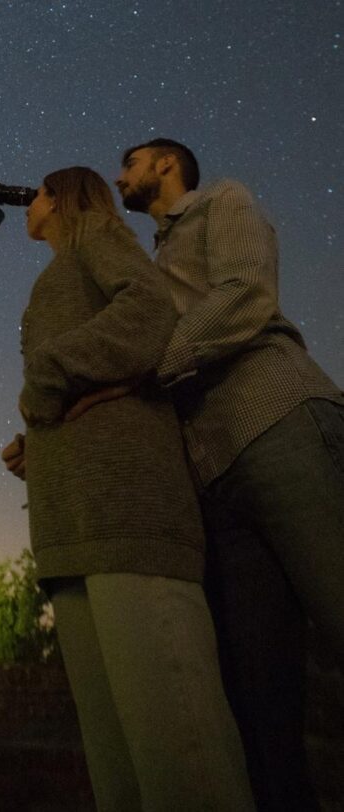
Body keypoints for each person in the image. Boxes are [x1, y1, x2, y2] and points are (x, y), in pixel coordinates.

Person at [2, 166, 254, 812]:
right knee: (121, 775)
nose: (26, 204)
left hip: (128, 516)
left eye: (35, 194)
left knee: (180, 755)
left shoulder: (96, 233)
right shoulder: (51, 276)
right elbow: (77, 380)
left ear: (59, 197)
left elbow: (145, 311)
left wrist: (49, 375)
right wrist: (38, 440)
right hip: (72, 528)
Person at [107, 138, 344, 812]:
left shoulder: (223, 200)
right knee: (259, 706)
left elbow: (245, 294)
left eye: (130, 162)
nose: (119, 175)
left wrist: (150, 369)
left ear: (165, 165)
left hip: (276, 422)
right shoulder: (149, 265)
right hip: (216, 482)